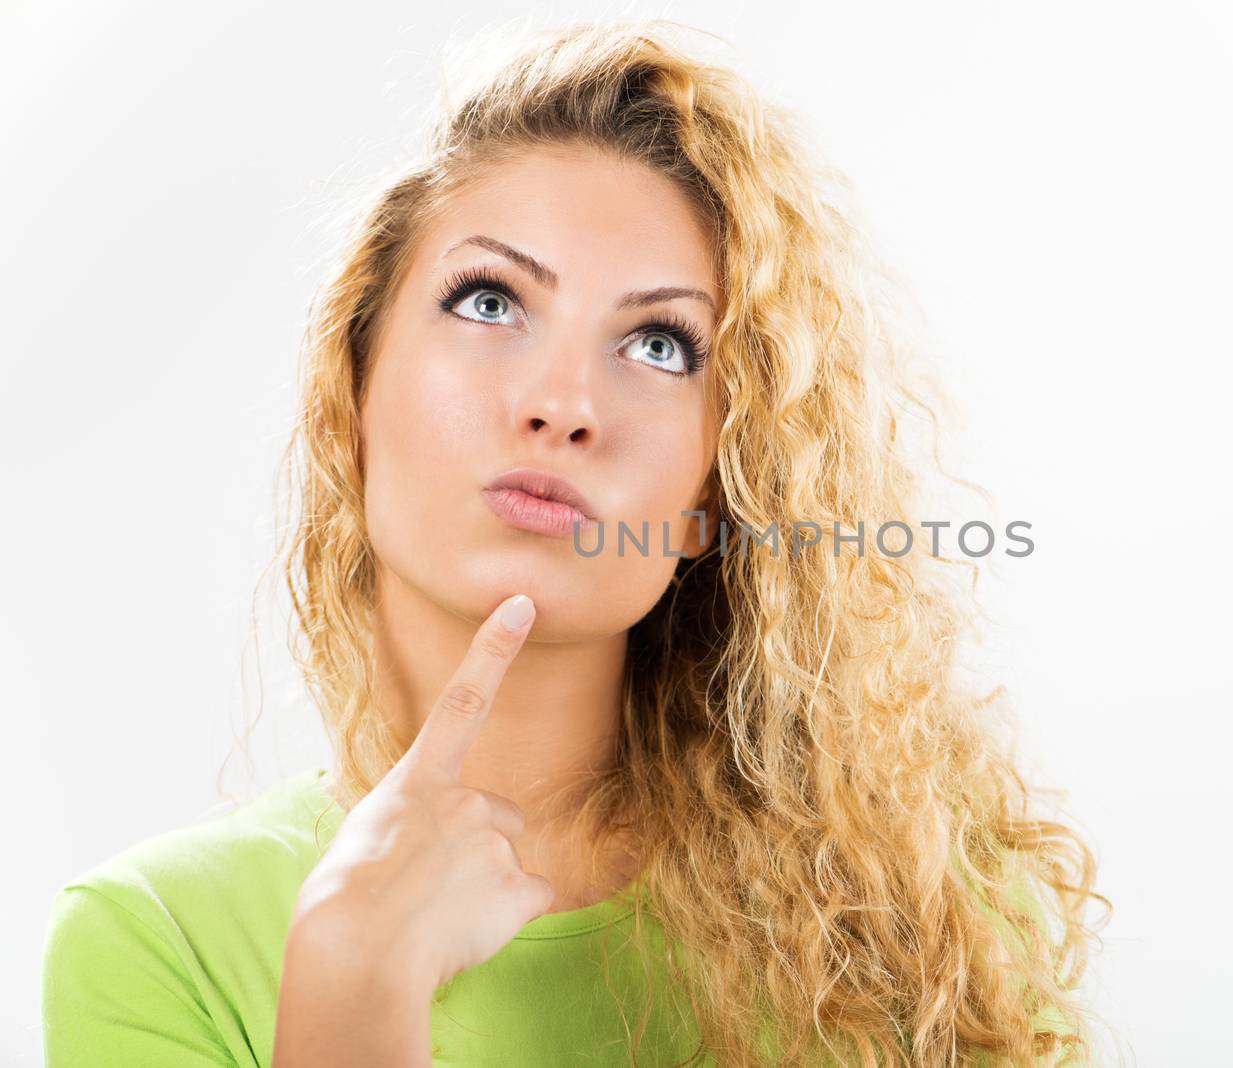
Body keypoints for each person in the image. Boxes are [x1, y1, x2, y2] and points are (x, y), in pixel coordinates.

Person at [40, 18, 1107, 1067]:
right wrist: (352, 983)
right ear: (353, 386)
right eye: (491, 300)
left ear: (714, 494)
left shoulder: (917, 919)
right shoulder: (154, 943)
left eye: (657, 345)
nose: (561, 404)